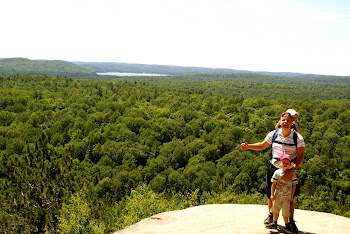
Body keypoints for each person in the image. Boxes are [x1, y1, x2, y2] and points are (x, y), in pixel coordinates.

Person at [240, 112, 305, 233]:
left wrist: (293, 169)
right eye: (283, 120)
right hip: (274, 167)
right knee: (270, 193)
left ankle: (290, 221)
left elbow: (301, 155)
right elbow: (263, 145)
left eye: (288, 120)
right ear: (280, 122)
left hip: (289, 170)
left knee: (288, 197)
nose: (285, 122)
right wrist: (248, 146)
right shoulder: (274, 134)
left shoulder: (298, 138)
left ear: (292, 123)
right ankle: (272, 217)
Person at [265, 153, 298, 233]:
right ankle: (274, 222)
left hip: (286, 197)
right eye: (283, 163)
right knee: (275, 210)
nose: (285, 165)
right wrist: (272, 194)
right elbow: (273, 184)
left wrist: (291, 196)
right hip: (277, 196)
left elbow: (294, 185)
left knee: (285, 213)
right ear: (280, 163)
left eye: (287, 163)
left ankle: (287, 225)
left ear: (290, 164)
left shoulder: (292, 174)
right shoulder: (277, 172)